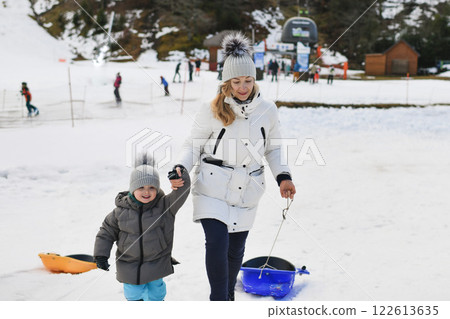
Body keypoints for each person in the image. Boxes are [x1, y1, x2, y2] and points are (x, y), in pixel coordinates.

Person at [171, 33, 296, 301]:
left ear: (255, 79)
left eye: (248, 80)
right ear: (227, 83)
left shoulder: (268, 110)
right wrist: (181, 166)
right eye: (237, 81)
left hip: (248, 189)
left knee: (235, 251)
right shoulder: (211, 110)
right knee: (217, 243)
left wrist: (283, 177)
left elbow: (273, 149)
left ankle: (228, 297)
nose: (243, 87)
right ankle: (218, 300)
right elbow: (192, 145)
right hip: (211, 187)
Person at [93, 155, 191, 301]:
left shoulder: (164, 206)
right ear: (132, 189)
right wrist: (101, 255)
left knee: (156, 291)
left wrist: (181, 175)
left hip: (156, 260)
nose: (147, 192)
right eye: (141, 187)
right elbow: (106, 233)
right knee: (133, 292)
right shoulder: (120, 212)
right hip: (129, 262)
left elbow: (181, 192)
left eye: (152, 187)